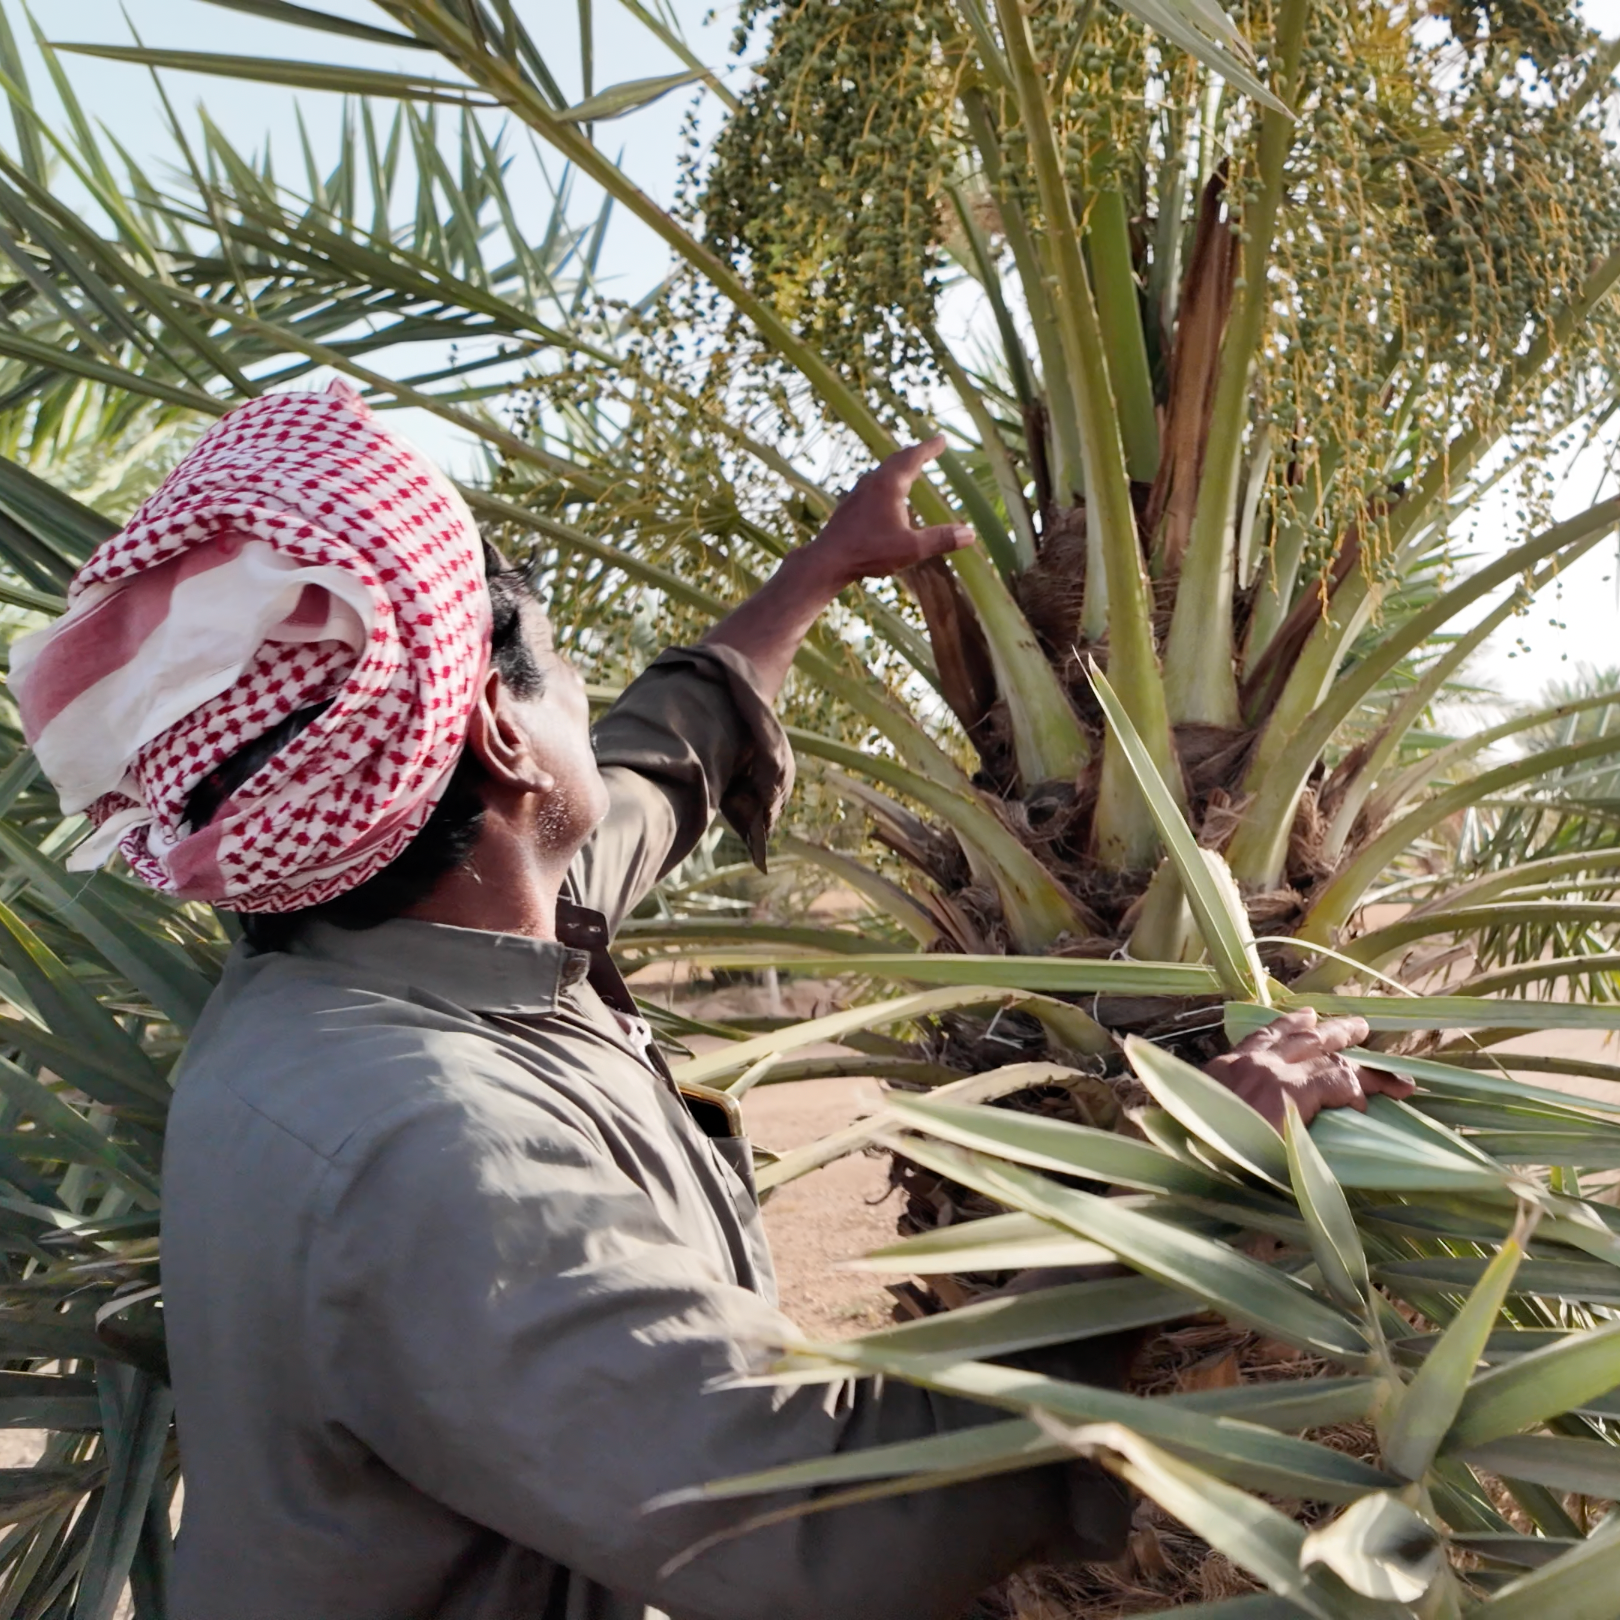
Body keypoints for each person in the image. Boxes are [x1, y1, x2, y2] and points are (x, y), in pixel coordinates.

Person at [14, 383, 1411, 1620]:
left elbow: (636, 778)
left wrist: (816, 574)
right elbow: (829, 1520)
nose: (582, 692)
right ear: (500, 738)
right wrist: (1176, 1169)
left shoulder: (368, 955)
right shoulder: (433, 1154)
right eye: (556, 662)